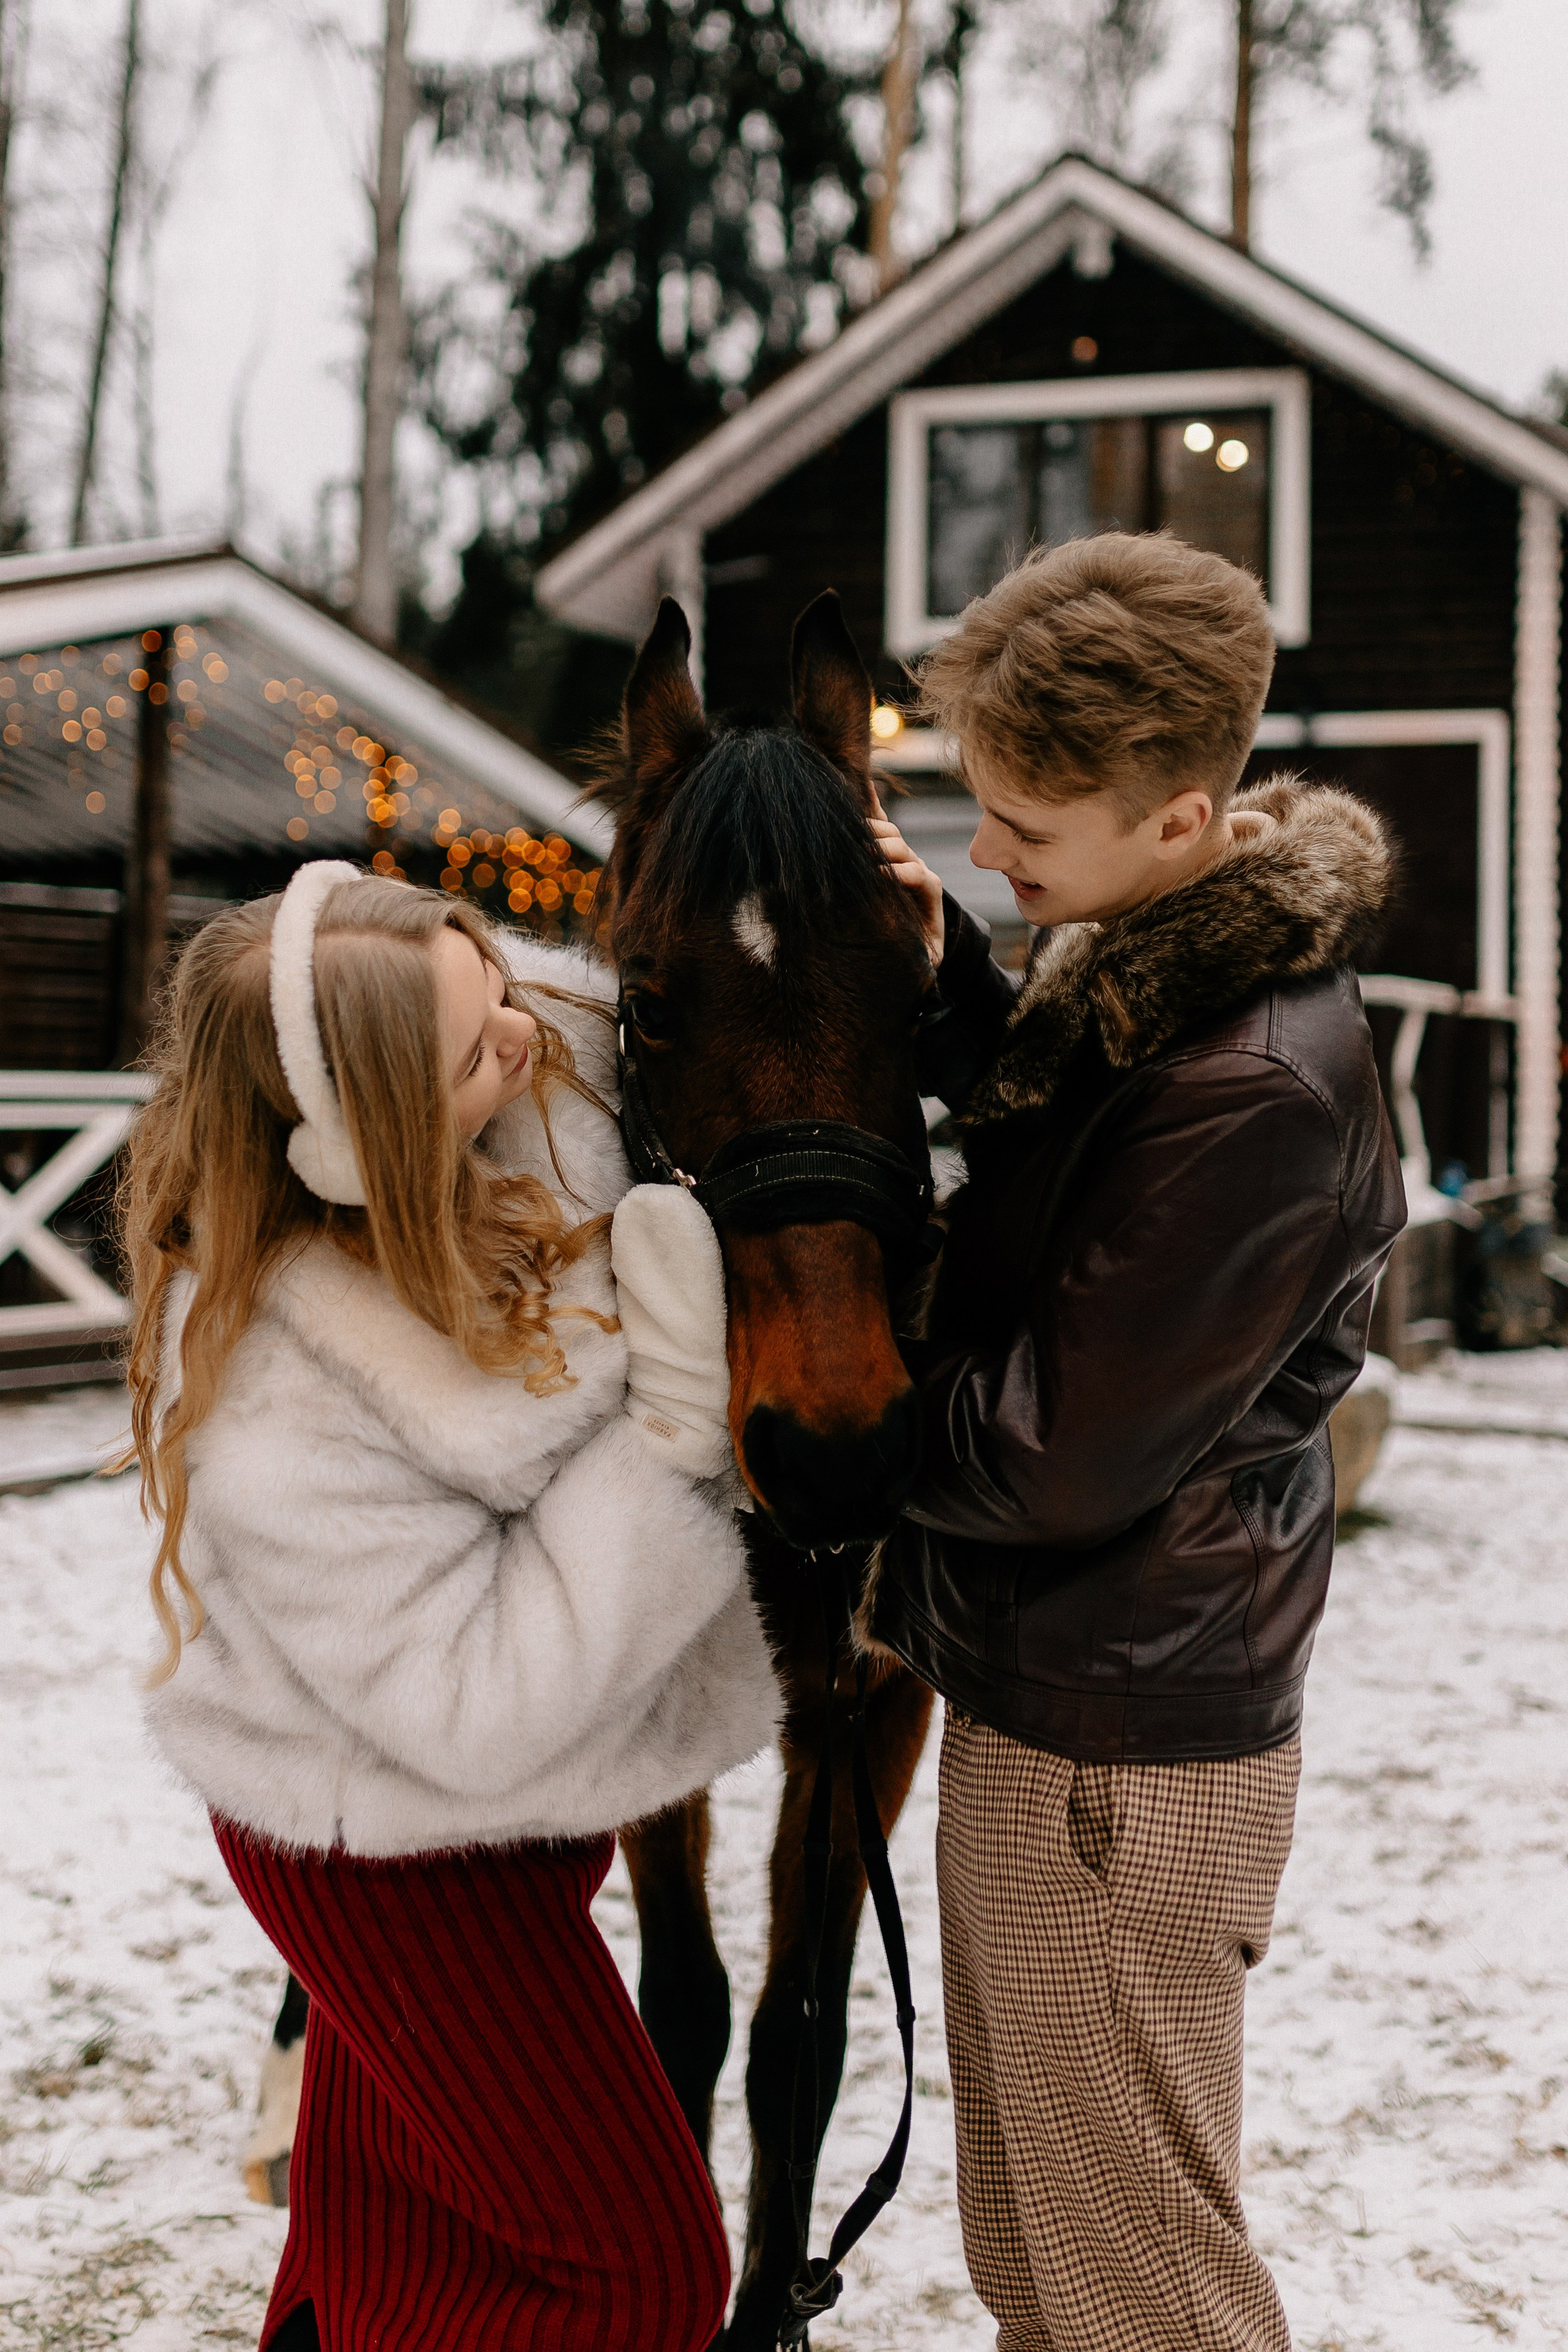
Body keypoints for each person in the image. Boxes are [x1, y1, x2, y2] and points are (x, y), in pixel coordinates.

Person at [121, 860, 780, 2352]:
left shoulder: (526, 1048)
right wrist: (673, 1427)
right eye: (478, 1046)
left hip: (490, 1827)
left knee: (396, 2247)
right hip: (389, 1854)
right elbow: (478, 1704)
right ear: (358, 1146)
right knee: (640, 2272)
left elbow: (691, 1012)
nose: (531, 1037)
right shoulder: (280, 1401)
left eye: (499, 984)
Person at [868, 533, 1407, 2352]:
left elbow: (1052, 1453)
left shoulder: (1252, 1084)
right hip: (1060, 1703)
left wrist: (809, 1416)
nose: (985, 851)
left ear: (1180, 821)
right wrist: (955, 974)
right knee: (1041, 2269)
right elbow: (1074, 1150)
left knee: (1142, 2304)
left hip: (1117, 1755)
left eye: (1023, 825)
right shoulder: (1154, 969)